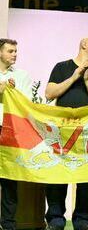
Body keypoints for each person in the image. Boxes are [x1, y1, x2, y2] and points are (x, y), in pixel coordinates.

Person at [44, 37, 88, 230]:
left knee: (87, 177)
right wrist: (74, 77)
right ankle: (55, 220)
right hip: (62, 131)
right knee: (58, 175)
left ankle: (82, 221)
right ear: (84, 45)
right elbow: (49, 93)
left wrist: (87, 79)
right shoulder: (62, 67)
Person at [0, 38, 33, 230]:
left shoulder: (22, 75)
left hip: (11, 130)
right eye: (10, 51)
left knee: (9, 178)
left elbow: (27, 103)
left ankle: (8, 224)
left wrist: (14, 91)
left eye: (15, 51)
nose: (15, 54)